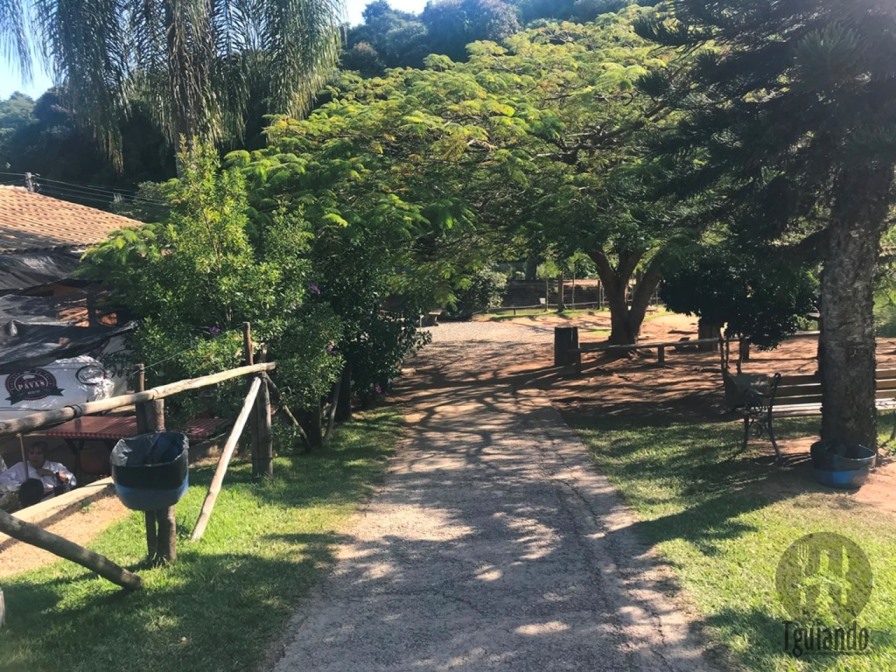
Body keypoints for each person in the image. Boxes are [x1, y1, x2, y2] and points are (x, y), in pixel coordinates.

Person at [0, 441, 76, 507]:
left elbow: (73, 481)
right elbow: (3, 479)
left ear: (45, 454)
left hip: (53, 499)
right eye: (31, 453)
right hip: (30, 502)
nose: (34, 456)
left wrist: (52, 473)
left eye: (38, 453)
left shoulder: (55, 466)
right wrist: (22, 487)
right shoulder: (21, 467)